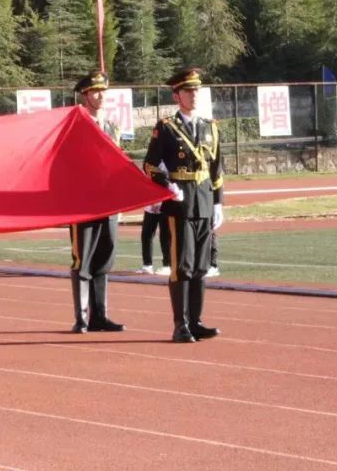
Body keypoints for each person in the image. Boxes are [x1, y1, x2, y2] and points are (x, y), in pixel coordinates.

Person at [143, 68, 224, 343]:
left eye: (196, 89)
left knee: (202, 267)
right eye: (188, 90)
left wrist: (218, 203)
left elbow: (216, 169)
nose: (194, 94)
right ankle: (180, 325)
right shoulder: (166, 127)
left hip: (203, 201)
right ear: (177, 95)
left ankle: (196, 321)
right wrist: (167, 184)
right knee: (182, 266)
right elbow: (150, 164)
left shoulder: (210, 126)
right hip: (179, 204)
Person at [68, 71, 125, 334]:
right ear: (85, 95)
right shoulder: (75, 124)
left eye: (103, 91)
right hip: (84, 203)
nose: (100, 96)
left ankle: (99, 316)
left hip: (110, 203)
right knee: (84, 261)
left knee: (104, 260)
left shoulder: (112, 127)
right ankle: (81, 318)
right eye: (95, 92)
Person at [138, 203, 171, 276]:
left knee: (165, 236)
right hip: (150, 207)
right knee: (146, 235)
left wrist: (159, 203)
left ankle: (167, 265)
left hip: (166, 205)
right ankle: (147, 265)